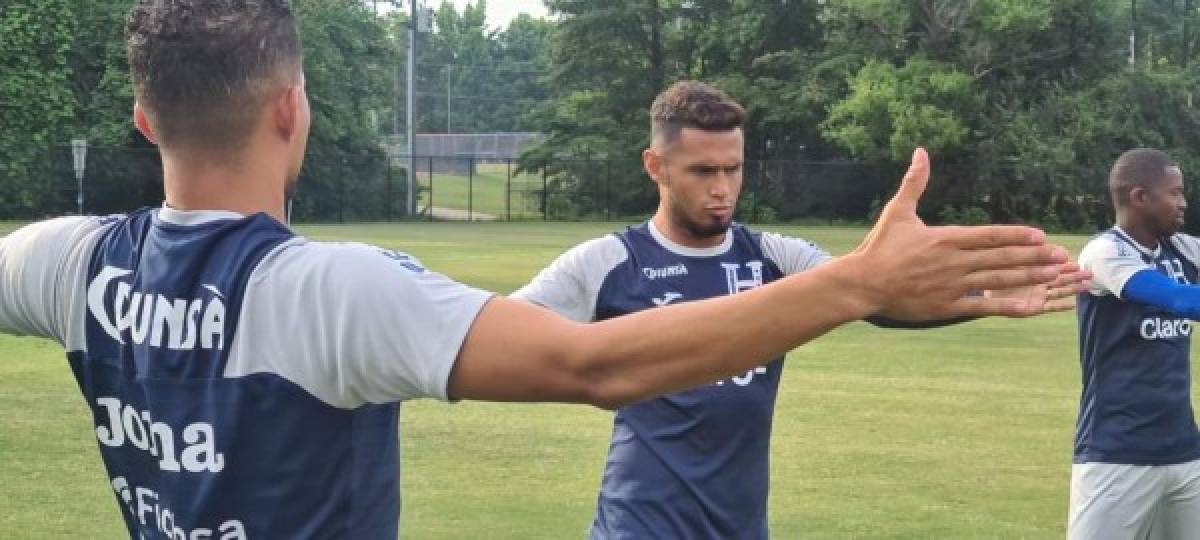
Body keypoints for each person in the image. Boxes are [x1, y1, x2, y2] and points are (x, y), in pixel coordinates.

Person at [0, 1, 1080, 538]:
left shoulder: (67, 260)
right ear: (293, 111)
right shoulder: (328, 291)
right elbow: (592, 367)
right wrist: (856, 284)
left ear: (145, 119)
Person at [511, 80, 1086, 539]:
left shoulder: (774, 257)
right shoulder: (607, 263)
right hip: (638, 526)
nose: (722, 187)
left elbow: (877, 296)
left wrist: (980, 301)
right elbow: (500, 334)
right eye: (702, 171)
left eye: (732, 169)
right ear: (656, 167)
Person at [1071, 148, 1200, 539]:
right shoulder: (1105, 252)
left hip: (1184, 453)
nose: (1183, 203)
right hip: (1116, 453)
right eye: (1174, 193)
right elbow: (1179, 300)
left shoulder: (1184, 248)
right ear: (1140, 197)